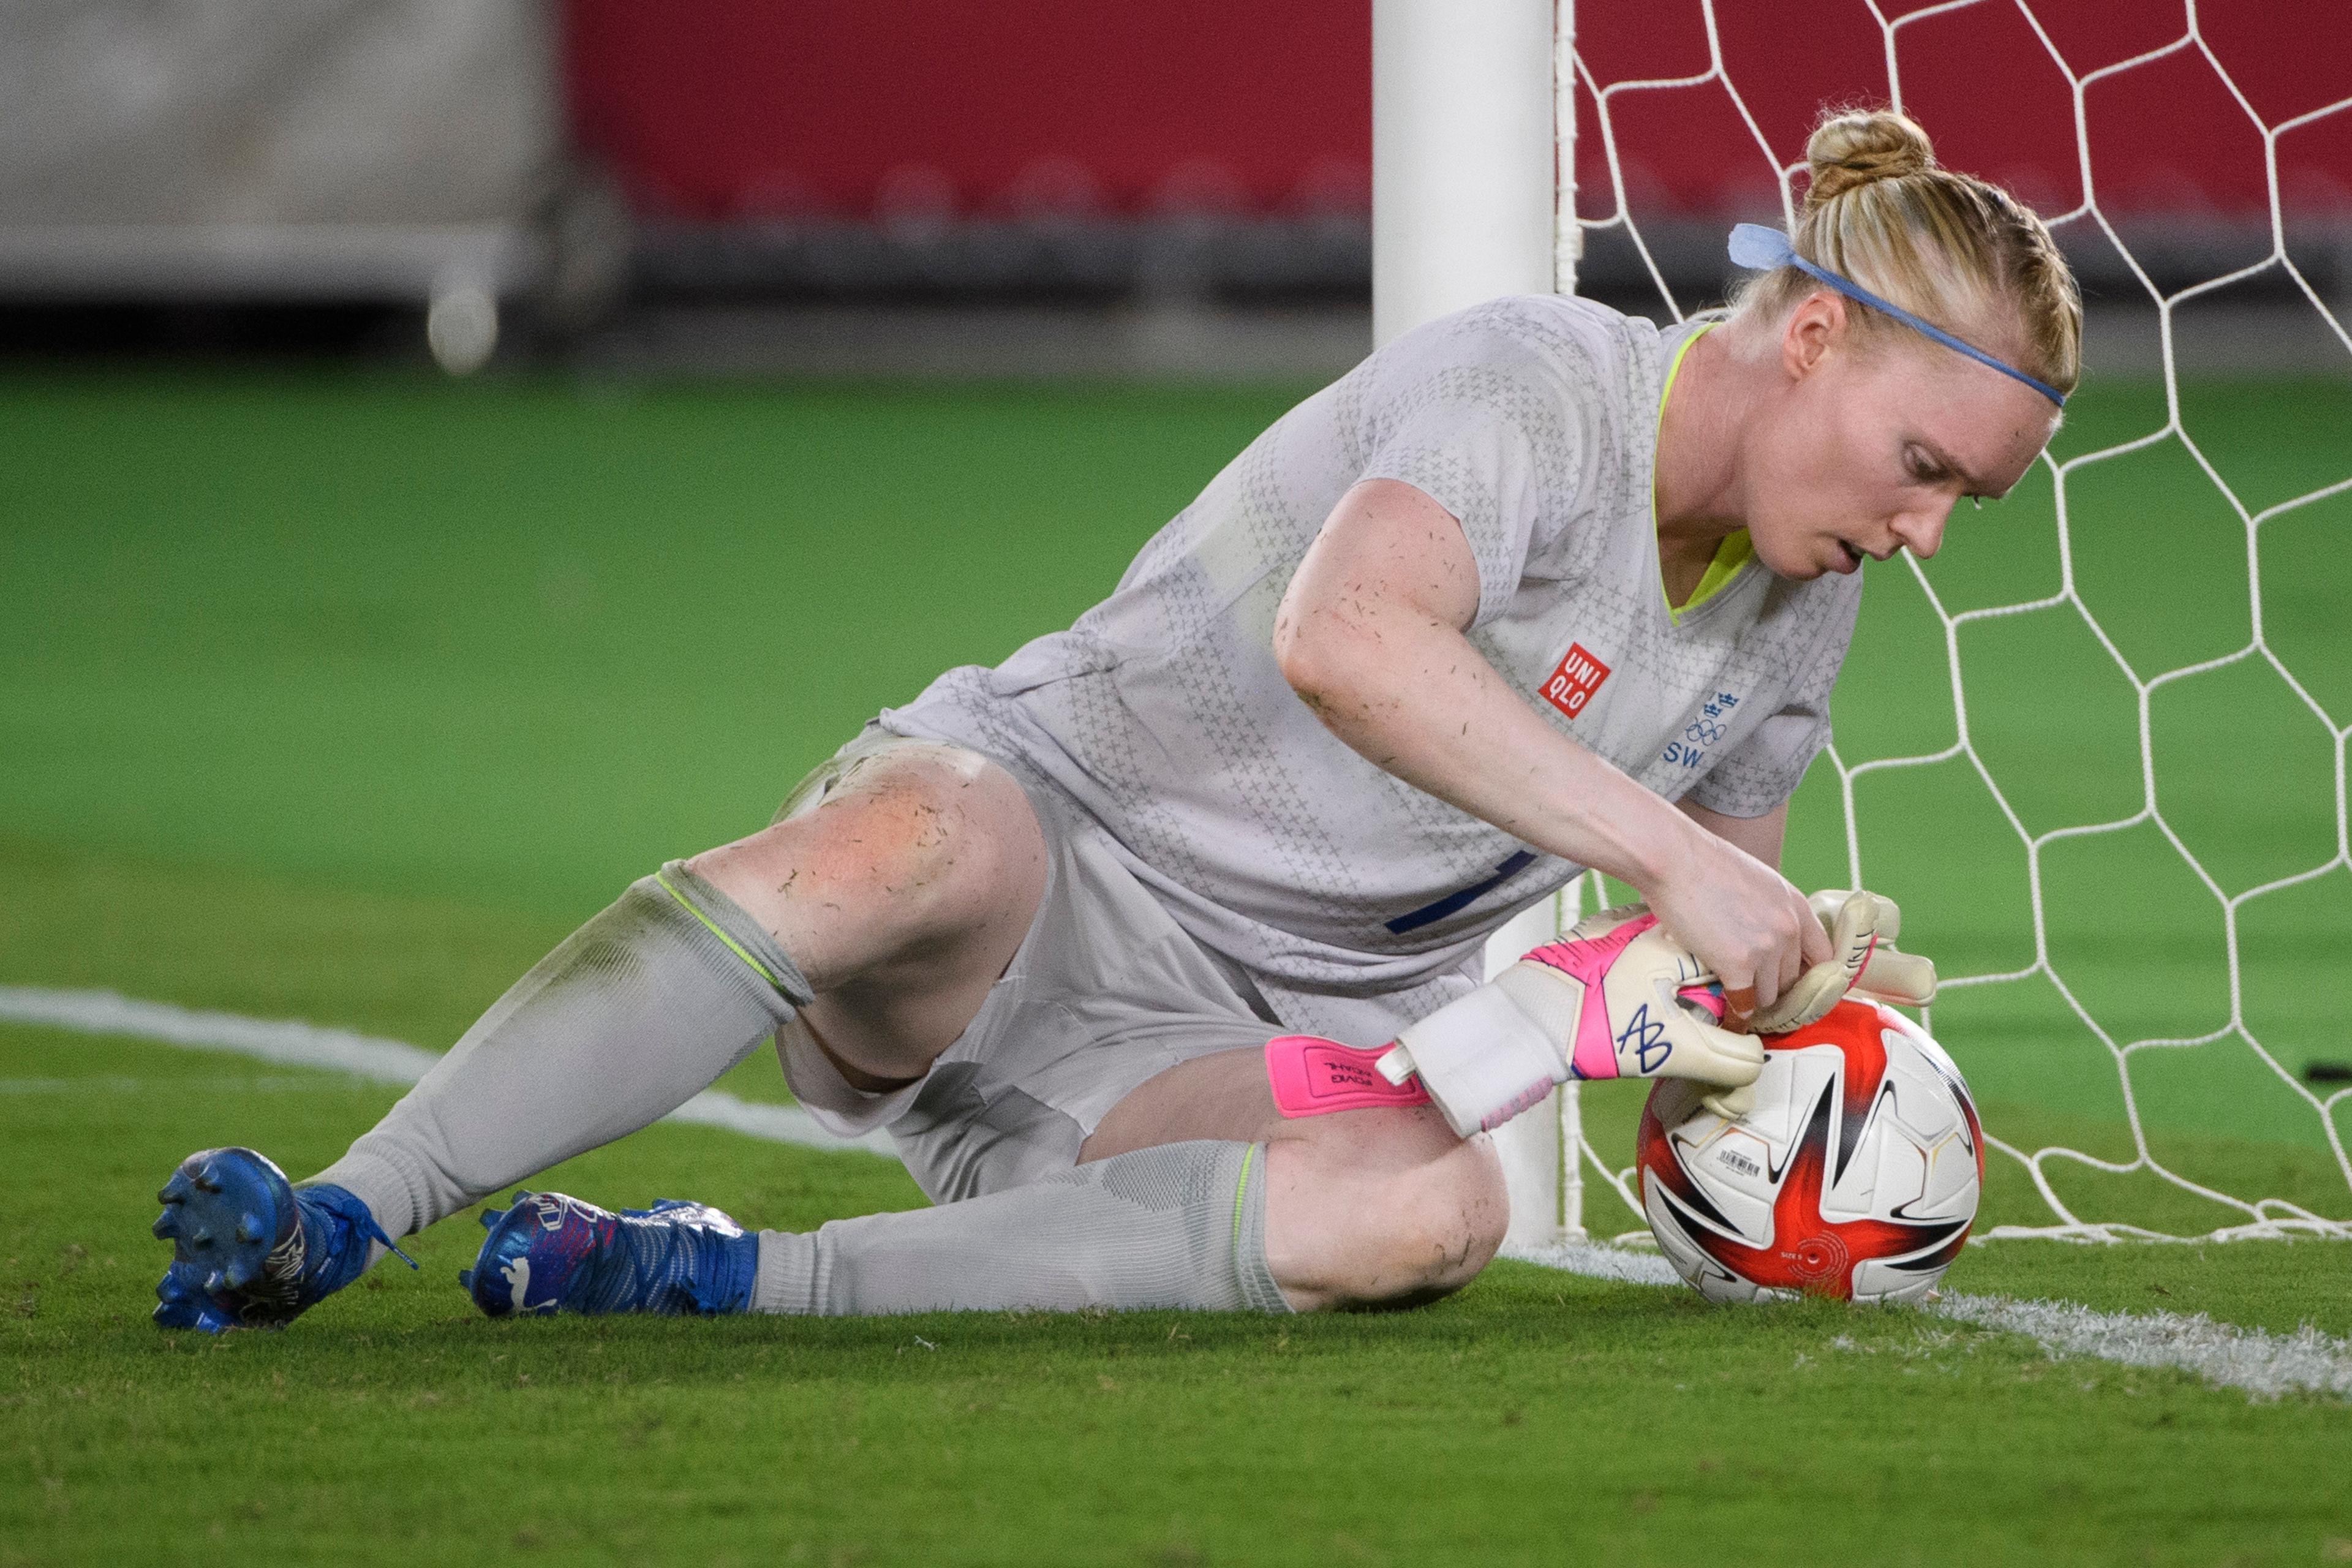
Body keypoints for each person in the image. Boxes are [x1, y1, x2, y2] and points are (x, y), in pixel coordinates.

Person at [149, 108, 2080, 1329]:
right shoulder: (1534, 385)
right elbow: (1351, 637)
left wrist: (1779, 1028)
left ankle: (702, 1274)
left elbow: (1678, 976)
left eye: (1958, 506)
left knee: (1433, 1215)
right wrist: (1667, 861)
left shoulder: (1798, 604)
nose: (1918, 534)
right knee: (918, 830)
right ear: (1811, 333)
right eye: (1922, 466)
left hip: (1239, 1054)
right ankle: (344, 1209)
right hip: (1022, 855)